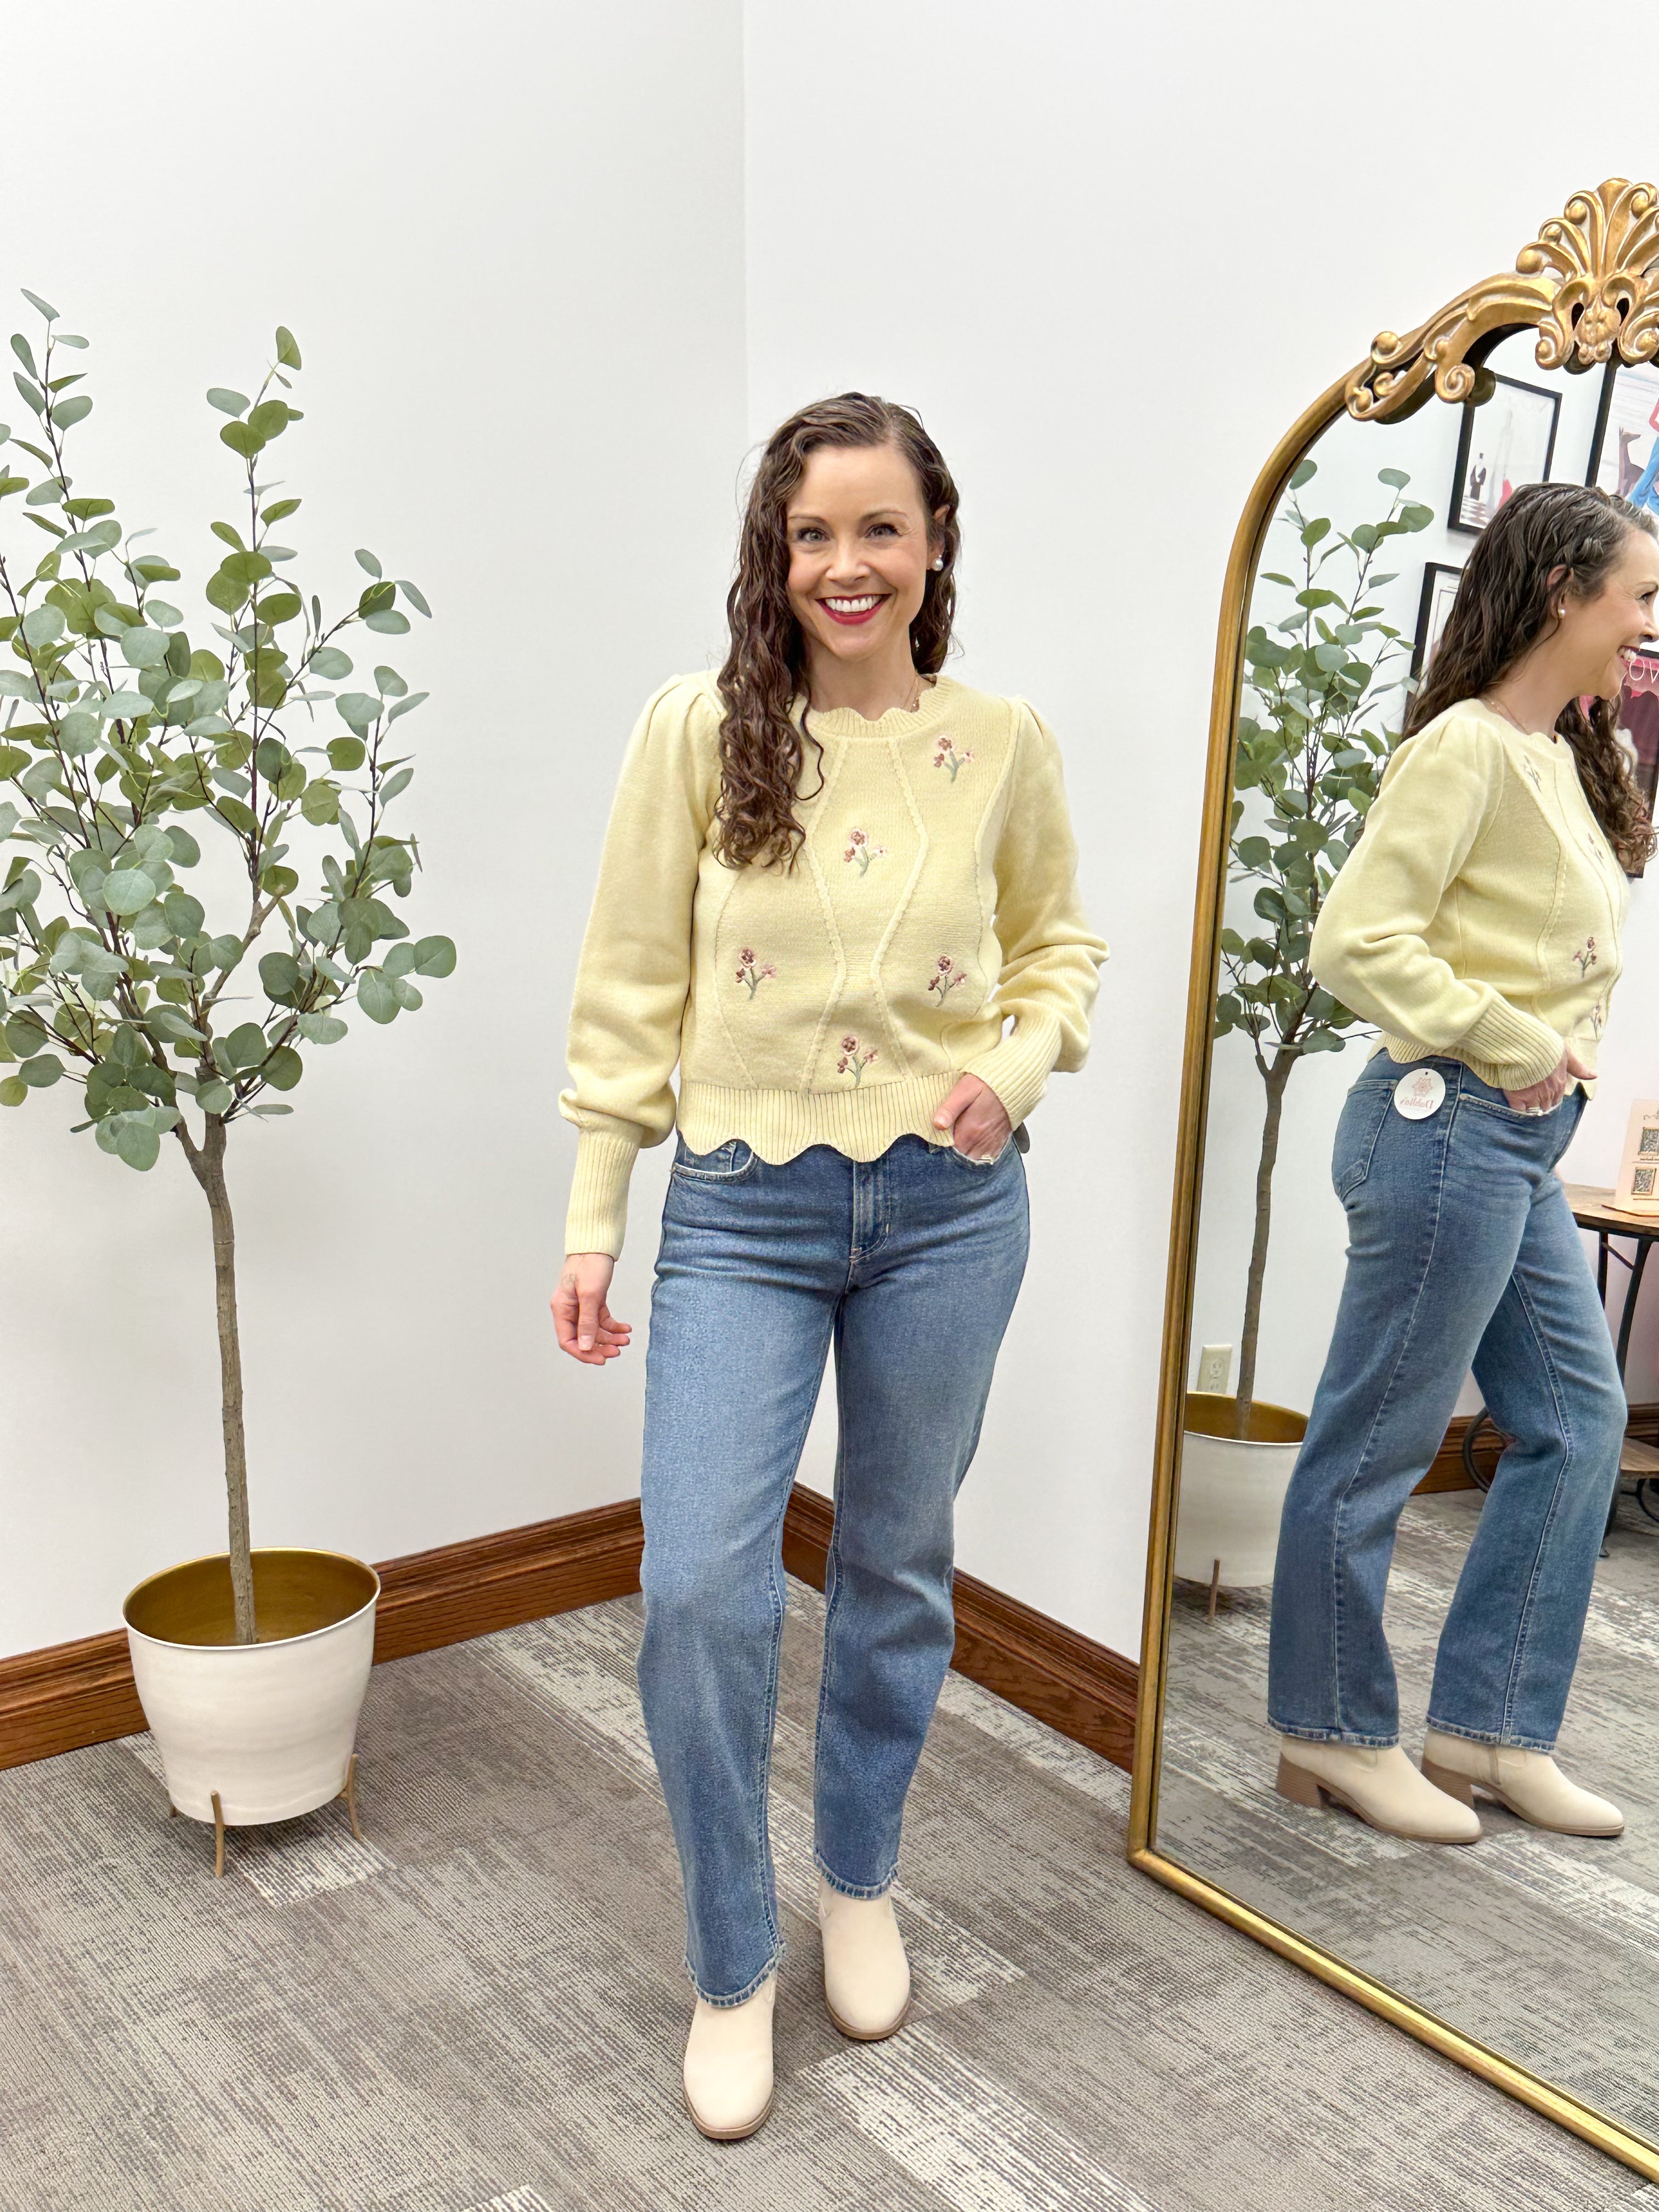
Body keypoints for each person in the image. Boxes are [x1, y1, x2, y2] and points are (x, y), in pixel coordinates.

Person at [550, 393, 1106, 2138]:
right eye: (812, 534)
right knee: (704, 1588)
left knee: (898, 1564)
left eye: (879, 529)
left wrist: (1009, 1075)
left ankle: (857, 1876)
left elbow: (1060, 947)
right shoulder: (705, 731)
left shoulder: (1004, 741)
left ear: (934, 543)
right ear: (773, 557)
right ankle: (735, 1957)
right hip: (741, 1206)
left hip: (951, 1212)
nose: (844, 565)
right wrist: (594, 1209)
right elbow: (633, 978)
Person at [1267, 482, 1659, 1846]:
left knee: (1578, 1420)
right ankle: (1328, 1731)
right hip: (1444, 1131)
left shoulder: (1559, 752)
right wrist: (1517, 1040)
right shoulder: (1464, 750)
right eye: (1640, 597)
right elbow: (1356, 942)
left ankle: (1489, 1729)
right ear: (1564, 590)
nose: (1648, 626)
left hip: (1509, 1145)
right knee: (1376, 1443)